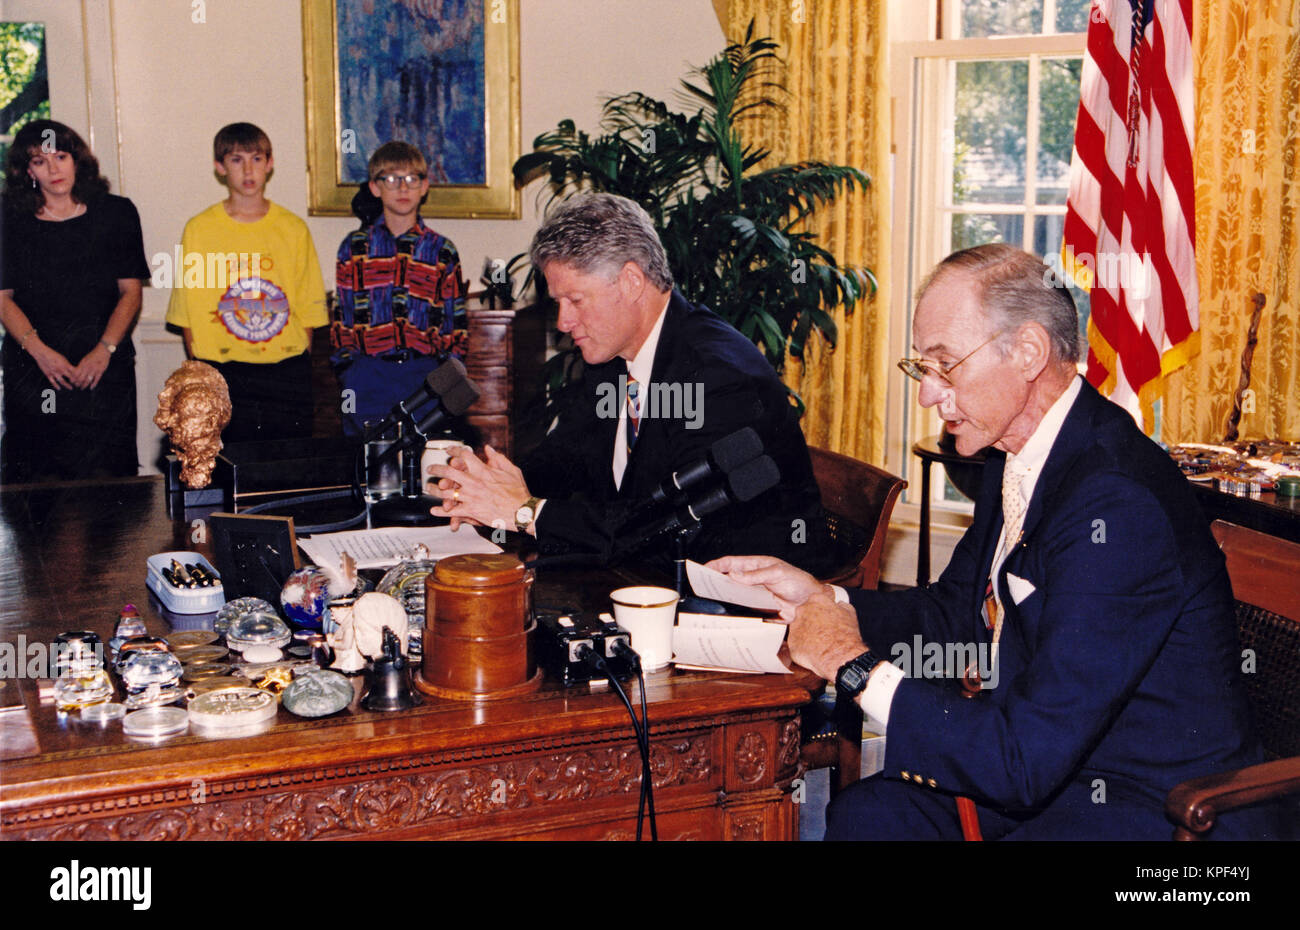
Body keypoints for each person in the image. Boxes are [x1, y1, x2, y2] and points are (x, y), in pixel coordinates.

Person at [710, 243, 1286, 840]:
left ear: (1029, 352)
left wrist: (849, 665)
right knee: (868, 816)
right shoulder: (1015, 453)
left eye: (945, 365)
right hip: (1054, 767)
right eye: (922, 368)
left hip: (1158, 808)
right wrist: (828, 601)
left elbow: (1022, 764)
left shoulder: (1117, 504)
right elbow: (957, 612)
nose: (928, 394)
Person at [428, 192, 829, 574]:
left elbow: (668, 528)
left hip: (738, 598)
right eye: (558, 304)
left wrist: (523, 511)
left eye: (576, 301)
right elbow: (568, 455)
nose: (564, 323)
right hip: (641, 575)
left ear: (631, 282)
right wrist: (492, 484)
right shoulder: (613, 358)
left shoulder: (717, 375)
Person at [1, 119, 149, 482]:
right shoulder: (9, 219)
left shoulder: (116, 214)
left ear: (77, 159)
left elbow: (131, 292)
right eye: (40, 161)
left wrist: (104, 350)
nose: (53, 169)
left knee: (106, 483)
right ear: (26, 171)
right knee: (39, 483)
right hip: (36, 368)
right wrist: (40, 352)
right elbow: (2, 298)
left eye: (61, 156)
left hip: (102, 367)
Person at [164, 122, 328, 443]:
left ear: (270, 164)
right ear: (220, 167)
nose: (248, 170)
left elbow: (308, 309)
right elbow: (189, 313)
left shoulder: (293, 229)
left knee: (286, 465)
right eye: (236, 160)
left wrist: (295, 364)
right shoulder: (200, 229)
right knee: (228, 464)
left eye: (256, 158)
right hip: (224, 370)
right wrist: (203, 374)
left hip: (284, 370)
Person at [330, 142, 467, 439]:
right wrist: (349, 371)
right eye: (391, 179)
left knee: (424, 461)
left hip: (424, 374)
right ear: (375, 188)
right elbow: (343, 312)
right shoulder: (355, 247)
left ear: (424, 187)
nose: (403, 187)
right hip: (368, 374)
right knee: (369, 460)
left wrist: (447, 373)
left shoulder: (441, 250)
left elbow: (454, 320)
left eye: (412, 179)